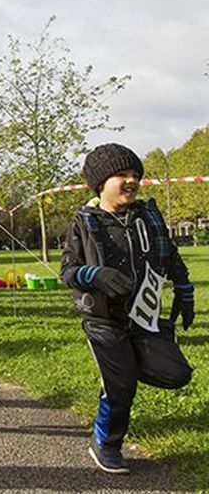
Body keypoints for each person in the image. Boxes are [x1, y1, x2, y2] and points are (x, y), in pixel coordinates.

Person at [60, 143, 193, 474]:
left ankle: (123, 371)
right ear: (101, 183)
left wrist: (185, 289)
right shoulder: (85, 222)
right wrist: (97, 274)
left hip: (143, 317)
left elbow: (170, 254)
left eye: (135, 175)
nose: (131, 181)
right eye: (122, 175)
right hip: (103, 319)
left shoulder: (147, 216)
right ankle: (106, 443)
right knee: (121, 387)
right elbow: (68, 271)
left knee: (176, 375)